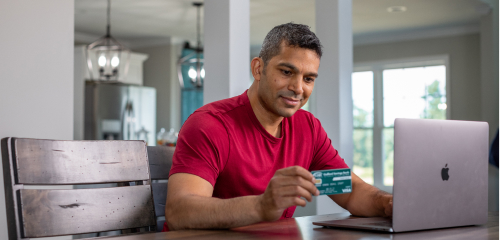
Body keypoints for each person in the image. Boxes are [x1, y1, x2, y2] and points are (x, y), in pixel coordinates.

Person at [164, 23, 392, 231]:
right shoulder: (210, 124)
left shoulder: (308, 129)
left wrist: (388, 203)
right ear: (257, 69)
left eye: (308, 79)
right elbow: (180, 212)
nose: (298, 88)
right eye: (286, 72)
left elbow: (348, 191)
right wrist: (262, 206)